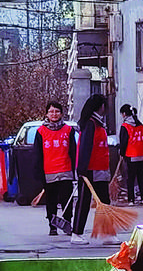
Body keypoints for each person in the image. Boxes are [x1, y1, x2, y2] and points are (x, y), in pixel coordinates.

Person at [34, 100, 76, 235]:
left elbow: (74, 151)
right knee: (51, 200)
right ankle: (52, 227)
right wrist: (39, 173)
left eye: (57, 111)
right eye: (51, 111)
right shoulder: (41, 131)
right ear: (46, 114)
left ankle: (67, 223)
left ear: (62, 113)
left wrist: (77, 170)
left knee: (66, 199)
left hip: (65, 170)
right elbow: (37, 154)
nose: (54, 114)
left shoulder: (68, 130)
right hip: (49, 172)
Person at [73, 93, 110, 245]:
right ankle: (76, 233)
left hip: (101, 170)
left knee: (105, 202)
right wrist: (82, 170)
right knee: (83, 202)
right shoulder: (90, 124)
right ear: (100, 107)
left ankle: (108, 234)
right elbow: (85, 148)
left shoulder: (99, 124)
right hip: (89, 170)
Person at [119, 103, 143, 205]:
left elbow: (123, 142)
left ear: (124, 114)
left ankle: (131, 200)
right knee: (141, 176)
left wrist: (122, 154)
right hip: (142, 155)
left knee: (130, 178)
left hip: (131, 155)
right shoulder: (140, 125)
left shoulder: (125, 126)